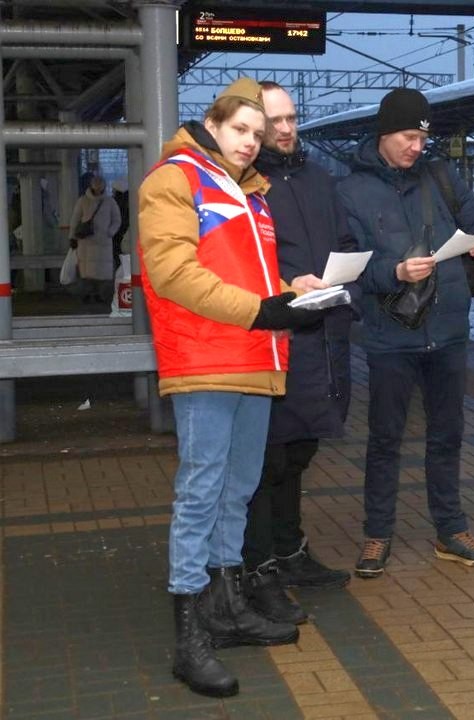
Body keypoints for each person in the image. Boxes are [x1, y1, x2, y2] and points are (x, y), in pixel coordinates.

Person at [139, 78, 328, 698]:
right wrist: (262, 310)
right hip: (204, 360)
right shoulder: (175, 180)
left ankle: (225, 606)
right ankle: (189, 634)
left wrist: (289, 291)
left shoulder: (252, 194)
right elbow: (172, 272)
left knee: (237, 490)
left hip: (255, 357)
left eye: (259, 131)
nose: (253, 141)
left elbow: (251, 275)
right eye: (241, 130)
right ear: (213, 125)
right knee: (200, 491)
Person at [336, 88, 474, 578]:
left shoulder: (442, 176)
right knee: (385, 439)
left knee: (447, 436)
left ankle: (451, 530)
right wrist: (393, 272)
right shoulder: (351, 192)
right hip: (391, 336)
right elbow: (347, 268)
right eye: (410, 136)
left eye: (423, 137)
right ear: (386, 134)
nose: (418, 146)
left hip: (448, 330)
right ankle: (377, 534)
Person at [240, 81, 358, 625]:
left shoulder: (317, 178)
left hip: (324, 337)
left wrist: (350, 268)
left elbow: (342, 239)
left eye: (290, 118)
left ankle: (288, 551)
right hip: (274, 336)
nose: (285, 129)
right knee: (266, 460)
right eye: (274, 121)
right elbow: (240, 267)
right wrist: (290, 285)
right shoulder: (244, 186)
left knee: (298, 453)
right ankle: (257, 566)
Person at [68, 175, 121, 303]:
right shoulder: (106, 201)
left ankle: (96, 293)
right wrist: (110, 232)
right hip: (92, 241)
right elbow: (75, 220)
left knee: (92, 270)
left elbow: (116, 220)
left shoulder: (87, 201)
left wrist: (110, 232)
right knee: (89, 271)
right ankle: (91, 293)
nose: (98, 188)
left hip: (94, 241)